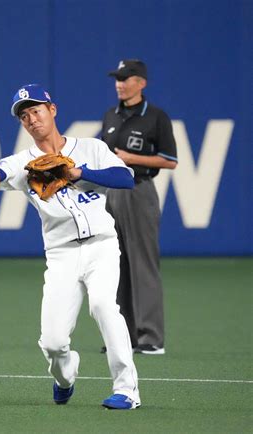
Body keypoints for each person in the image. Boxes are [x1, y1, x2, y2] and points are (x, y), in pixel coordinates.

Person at [0, 84, 141, 409]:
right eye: (24, 116)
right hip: (62, 255)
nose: (31, 119)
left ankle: (127, 391)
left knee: (103, 305)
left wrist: (77, 172)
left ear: (52, 110)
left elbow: (126, 178)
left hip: (102, 246)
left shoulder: (91, 148)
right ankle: (65, 376)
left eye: (36, 110)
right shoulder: (26, 163)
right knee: (53, 342)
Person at [101, 59, 178, 355]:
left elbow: (170, 160)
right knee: (114, 265)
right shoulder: (111, 115)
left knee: (142, 265)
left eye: (125, 78)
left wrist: (131, 159)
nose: (119, 84)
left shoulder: (156, 117)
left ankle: (150, 338)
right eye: (117, 79)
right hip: (112, 193)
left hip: (139, 190)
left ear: (141, 83)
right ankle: (124, 336)